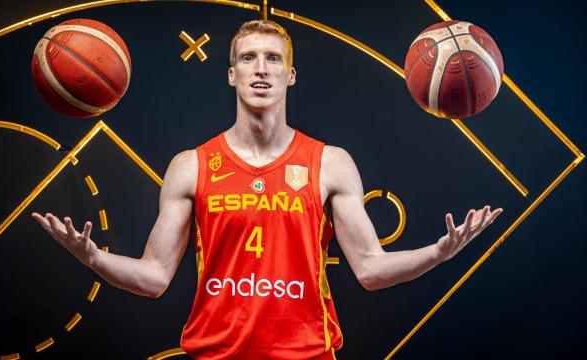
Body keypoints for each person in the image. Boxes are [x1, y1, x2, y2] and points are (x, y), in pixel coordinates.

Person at [32, 20, 502, 359]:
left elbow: (371, 270)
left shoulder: (330, 163)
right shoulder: (190, 167)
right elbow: (154, 278)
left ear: (289, 75)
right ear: (232, 74)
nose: (261, 69)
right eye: (248, 59)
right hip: (216, 355)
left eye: (273, 59)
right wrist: (93, 257)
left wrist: (438, 252)